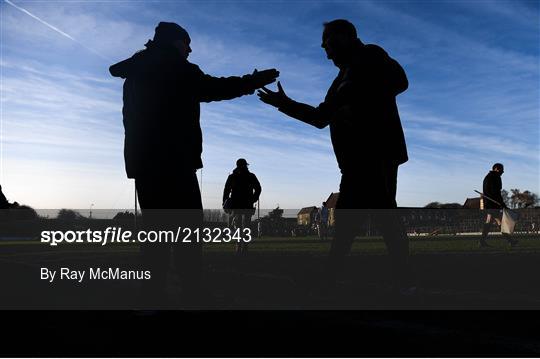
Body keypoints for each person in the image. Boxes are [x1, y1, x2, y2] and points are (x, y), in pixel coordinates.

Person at [109, 22, 278, 304]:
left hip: (145, 165)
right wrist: (252, 81)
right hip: (175, 163)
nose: (190, 49)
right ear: (176, 42)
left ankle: (153, 294)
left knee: (154, 235)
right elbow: (214, 88)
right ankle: (192, 292)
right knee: (188, 231)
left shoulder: (137, 72)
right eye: (187, 43)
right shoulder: (176, 68)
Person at [258, 19, 414, 292]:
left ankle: (395, 279)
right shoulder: (339, 79)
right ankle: (346, 277)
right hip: (355, 161)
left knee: (379, 218)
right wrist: (284, 104)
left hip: (376, 155)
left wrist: (362, 96)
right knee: (354, 221)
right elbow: (321, 118)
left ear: (343, 38)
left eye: (327, 45)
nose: (326, 52)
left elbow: (400, 81)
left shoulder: (371, 55)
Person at [222, 158, 262, 256]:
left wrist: (225, 202)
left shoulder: (233, 177)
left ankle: (239, 245)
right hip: (246, 204)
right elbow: (258, 188)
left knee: (239, 225)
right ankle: (243, 246)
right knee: (245, 225)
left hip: (238, 204)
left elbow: (226, 190)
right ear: (246, 165)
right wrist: (254, 198)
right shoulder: (250, 176)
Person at [480, 163, 517, 247]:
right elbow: (496, 192)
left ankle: (510, 241)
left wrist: (501, 203)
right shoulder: (494, 177)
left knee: (494, 222)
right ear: (496, 168)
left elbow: (494, 192)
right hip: (492, 204)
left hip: (490, 204)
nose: (503, 172)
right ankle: (510, 241)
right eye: (501, 170)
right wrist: (502, 204)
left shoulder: (490, 177)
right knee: (496, 222)